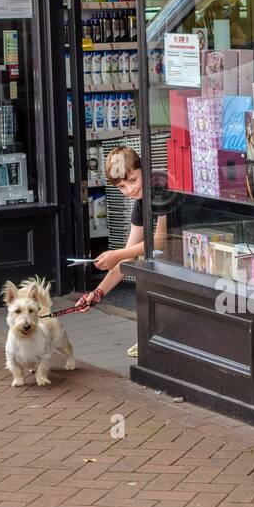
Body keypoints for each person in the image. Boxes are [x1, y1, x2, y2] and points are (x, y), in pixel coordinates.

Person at [75, 145, 173, 357]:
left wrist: (117, 254)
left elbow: (161, 240)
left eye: (132, 181)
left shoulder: (162, 190)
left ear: (144, 170)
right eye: (122, 187)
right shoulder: (140, 205)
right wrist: (97, 293)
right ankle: (153, 335)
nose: (130, 190)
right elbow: (129, 255)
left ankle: (157, 335)